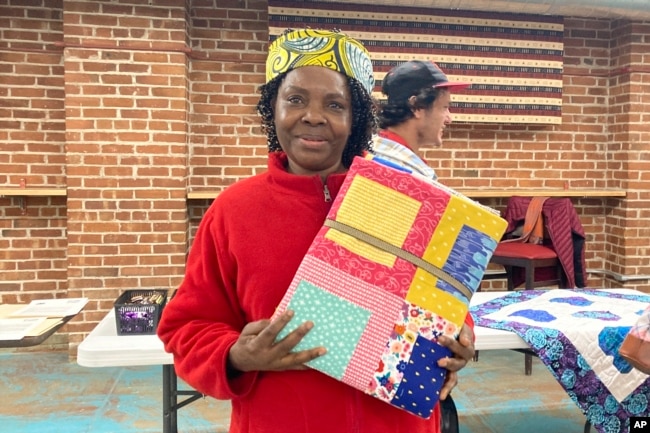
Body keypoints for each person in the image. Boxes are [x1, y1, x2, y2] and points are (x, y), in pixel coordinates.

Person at [157, 28, 475, 433]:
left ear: (354, 117)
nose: (313, 115)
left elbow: (447, 304)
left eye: (335, 104)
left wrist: (460, 340)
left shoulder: (408, 201)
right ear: (272, 108)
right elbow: (186, 326)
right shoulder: (233, 212)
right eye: (295, 99)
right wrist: (236, 354)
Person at [372, 60, 471, 181]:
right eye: (444, 107)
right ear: (416, 107)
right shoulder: (412, 173)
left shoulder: (368, 151)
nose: (449, 119)